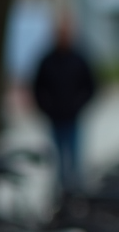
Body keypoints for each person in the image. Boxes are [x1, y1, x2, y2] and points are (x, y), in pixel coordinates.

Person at [32, 18, 97, 193]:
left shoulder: (79, 58)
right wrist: (46, 108)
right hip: (55, 117)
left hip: (73, 116)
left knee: (75, 156)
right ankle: (62, 192)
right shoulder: (47, 60)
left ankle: (76, 190)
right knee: (58, 157)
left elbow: (92, 85)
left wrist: (79, 105)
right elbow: (37, 87)